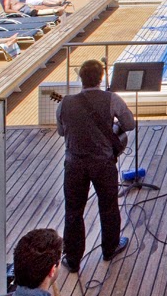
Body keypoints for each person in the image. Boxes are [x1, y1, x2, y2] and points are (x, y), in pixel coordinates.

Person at [56, 60, 135, 273]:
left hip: (74, 164)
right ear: (101, 78)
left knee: (73, 211)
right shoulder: (111, 99)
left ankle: (73, 259)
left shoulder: (65, 103)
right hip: (103, 163)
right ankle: (110, 248)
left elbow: (62, 132)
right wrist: (113, 126)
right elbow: (129, 124)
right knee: (108, 206)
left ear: (81, 78)